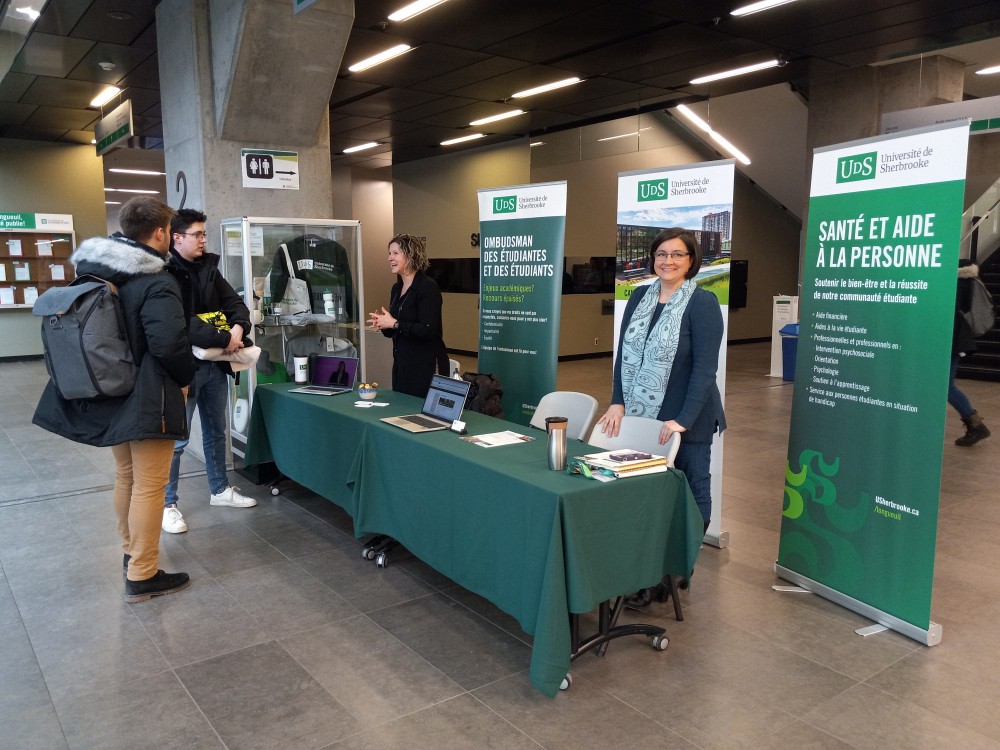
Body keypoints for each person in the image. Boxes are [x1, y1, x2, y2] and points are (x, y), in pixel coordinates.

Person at [33, 197, 196, 602]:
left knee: (127, 476)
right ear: (161, 232)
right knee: (151, 485)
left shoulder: (94, 272)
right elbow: (168, 344)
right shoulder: (156, 280)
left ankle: (130, 552)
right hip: (148, 395)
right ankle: (142, 572)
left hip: (109, 391)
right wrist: (185, 379)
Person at [596, 228, 726, 606]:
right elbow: (624, 353)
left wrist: (682, 420)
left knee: (692, 493)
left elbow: (705, 371)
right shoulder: (639, 295)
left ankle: (678, 569)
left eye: (678, 255)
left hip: (690, 417)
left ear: (691, 261)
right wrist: (618, 401)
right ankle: (649, 568)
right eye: (661, 254)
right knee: (650, 497)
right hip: (642, 414)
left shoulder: (702, 303)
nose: (667, 261)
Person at [161, 208, 256, 534]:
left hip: (215, 364)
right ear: (177, 238)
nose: (203, 239)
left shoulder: (209, 269)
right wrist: (224, 336)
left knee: (217, 431)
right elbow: (179, 324)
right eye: (197, 234)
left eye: (204, 234)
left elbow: (236, 305)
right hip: (182, 369)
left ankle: (219, 490)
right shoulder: (165, 273)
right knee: (175, 439)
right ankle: (167, 504)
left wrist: (238, 330)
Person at [368, 233, 449, 397]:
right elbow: (394, 329)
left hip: (426, 366)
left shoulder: (427, 287)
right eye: (389, 253)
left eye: (396, 253)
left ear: (411, 256)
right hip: (402, 365)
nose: (390, 258)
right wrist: (383, 324)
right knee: (401, 411)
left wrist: (395, 323)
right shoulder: (396, 288)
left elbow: (428, 329)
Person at [950, 261, 990, 446]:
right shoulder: (966, 280)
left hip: (952, 340)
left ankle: (976, 426)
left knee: (946, 387)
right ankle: (975, 426)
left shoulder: (955, 282)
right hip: (956, 339)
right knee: (945, 386)